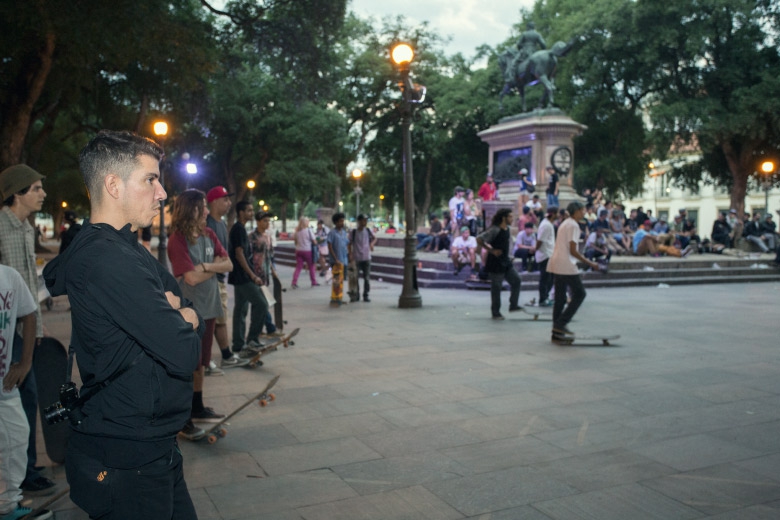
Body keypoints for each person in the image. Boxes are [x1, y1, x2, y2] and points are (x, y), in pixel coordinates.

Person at [42, 130, 201, 518]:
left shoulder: (126, 248)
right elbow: (184, 350)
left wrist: (180, 314)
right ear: (113, 185)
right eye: (150, 179)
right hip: (127, 456)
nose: (162, 193)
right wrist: (182, 318)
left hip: (151, 444)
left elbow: (184, 301)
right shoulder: (107, 260)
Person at [0, 164, 55, 495]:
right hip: (8, 334)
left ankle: (26, 469)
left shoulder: (24, 228)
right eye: (36, 188)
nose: (43, 193)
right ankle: (21, 474)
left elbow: (29, 290)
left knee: (26, 399)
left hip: (24, 331)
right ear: (17, 193)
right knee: (20, 400)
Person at [168, 189, 231, 430]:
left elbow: (228, 263)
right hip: (190, 313)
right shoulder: (177, 239)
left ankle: (197, 406)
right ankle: (183, 417)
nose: (205, 211)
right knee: (188, 365)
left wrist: (204, 265)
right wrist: (214, 267)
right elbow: (190, 279)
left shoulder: (209, 233)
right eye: (201, 206)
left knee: (202, 363)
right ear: (189, 209)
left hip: (210, 308)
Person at [0, 265, 49, 520]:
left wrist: (26, 362)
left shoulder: (9, 277)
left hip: (5, 384)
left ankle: (7, 505)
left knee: (17, 438)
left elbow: (29, 314)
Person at [205, 186, 246, 370]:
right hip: (210, 279)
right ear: (214, 202)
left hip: (219, 278)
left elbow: (223, 253)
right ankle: (206, 359)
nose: (229, 204)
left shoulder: (221, 224)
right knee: (212, 320)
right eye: (225, 200)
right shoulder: (206, 224)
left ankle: (225, 354)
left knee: (219, 318)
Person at [548, 201, 600, 339]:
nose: (584, 212)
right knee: (579, 294)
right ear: (576, 211)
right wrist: (590, 263)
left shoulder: (565, 223)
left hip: (557, 262)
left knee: (560, 298)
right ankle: (561, 323)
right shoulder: (573, 225)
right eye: (583, 210)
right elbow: (573, 250)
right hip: (566, 265)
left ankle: (556, 331)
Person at [229, 201, 269, 355]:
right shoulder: (238, 229)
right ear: (241, 212)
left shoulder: (240, 228)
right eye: (249, 210)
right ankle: (252, 339)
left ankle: (238, 344)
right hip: (243, 277)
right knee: (261, 304)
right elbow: (239, 254)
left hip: (241, 276)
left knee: (240, 310)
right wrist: (252, 275)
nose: (252, 213)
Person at [477, 208, 522, 320]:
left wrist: (509, 256)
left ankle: (513, 305)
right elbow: (479, 239)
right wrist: (491, 250)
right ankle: (496, 312)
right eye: (510, 217)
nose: (512, 219)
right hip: (495, 262)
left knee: (516, 280)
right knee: (496, 288)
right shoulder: (495, 230)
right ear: (504, 218)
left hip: (505, 261)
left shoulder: (507, 229)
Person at [249, 210, 283, 338]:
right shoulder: (252, 237)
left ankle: (257, 329)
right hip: (255, 274)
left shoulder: (268, 236)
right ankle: (269, 327)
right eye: (264, 220)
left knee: (259, 303)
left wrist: (273, 271)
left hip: (265, 274)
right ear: (258, 221)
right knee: (262, 302)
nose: (267, 223)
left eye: (268, 220)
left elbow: (269, 256)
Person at [348, 214, 377, 302]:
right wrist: (350, 254)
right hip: (356, 258)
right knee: (355, 278)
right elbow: (349, 243)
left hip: (367, 258)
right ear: (358, 221)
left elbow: (375, 238)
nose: (364, 222)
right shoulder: (353, 232)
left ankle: (366, 295)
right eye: (363, 220)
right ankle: (356, 295)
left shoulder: (368, 231)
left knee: (367, 278)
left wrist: (371, 244)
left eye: (365, 220)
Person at [534, 206, 556, 307]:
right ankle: (542, 298)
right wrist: (535, 249)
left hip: (550, 254)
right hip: (545, 255)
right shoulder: (546, 225)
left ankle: (546, 296)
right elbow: (540, 240)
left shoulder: (549, 224)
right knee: (545, 278)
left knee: (550, 278)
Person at [327, 212, 349, 305]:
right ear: (336, 222)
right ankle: (335, 298)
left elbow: (347, 244)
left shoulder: (344, 232)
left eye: (343, 221)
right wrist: (335, 258)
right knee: (336, 280)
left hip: (343, 260)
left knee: (341, 280)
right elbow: (330, 245)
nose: (342, 223)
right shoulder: (332, 233)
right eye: (340, 221)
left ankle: (339, 297)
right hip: (336, 260)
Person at [291, 217, 318, 288]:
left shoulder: (297, 231)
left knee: (298, 267)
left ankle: (294, 282)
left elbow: (295, 242)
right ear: (305, 223)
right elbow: (314, 241)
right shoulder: (309, 231)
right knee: (311, 267)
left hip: (298, 250)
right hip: (307, 250)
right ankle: (313, 282)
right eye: (308, 221)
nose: (308, 223)